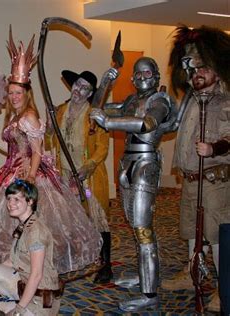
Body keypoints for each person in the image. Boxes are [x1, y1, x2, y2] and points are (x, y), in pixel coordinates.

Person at [0, 28, 101, 277]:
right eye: (11, 93)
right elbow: (13, 149)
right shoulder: (16, 116)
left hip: (29, 174)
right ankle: (14, 263)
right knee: (7, 221)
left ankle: (32, 267)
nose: (14, 97)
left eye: (18, 93)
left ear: (27, 93)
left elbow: (37, 152)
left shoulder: (29, 117)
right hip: (13, 169)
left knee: (30, 223)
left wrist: (30, 180)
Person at [90, 56, 177, 312]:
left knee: (143, 229)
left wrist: (108, 123)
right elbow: (97, 110)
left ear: (156, 76)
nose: (141, 78)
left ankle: (150, 294)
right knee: (135, 226)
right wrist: (105, 83)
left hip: (145, 164)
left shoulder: (158, 101)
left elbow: (147, 123)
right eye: (137, 74)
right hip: (127, 164)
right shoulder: (131, 100)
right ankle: (146, 276)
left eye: (147, 73)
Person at [161, 25, 230, 312]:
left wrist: (215, 148)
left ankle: (223, 289)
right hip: (189, 179)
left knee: (215, 235)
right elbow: (172, 125)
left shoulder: (225, 98)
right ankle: (193, 276)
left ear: (215, 67)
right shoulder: (189, 97)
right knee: (191, 232)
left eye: (201, 68)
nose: (195, 74)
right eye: (190, 68)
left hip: (215, 180)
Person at [46, 69, 112, 284]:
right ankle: (74, 260)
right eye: (77, 85)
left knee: (97, 218)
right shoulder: (60, 111)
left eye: (85, 88)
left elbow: (102, 147)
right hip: (64, 176)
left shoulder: (95, 115)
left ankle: (105, 265)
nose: (79, 90)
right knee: (67, 220)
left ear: (90, 93)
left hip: (88, 179)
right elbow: (50, 140)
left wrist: (89, 166)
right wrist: (48, 127)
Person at [0, 180, 62, 315]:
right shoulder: (24, 225)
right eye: (9, 199)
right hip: (26, 286)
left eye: (16, 199)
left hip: (42, 300)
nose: (10, 203)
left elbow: (36, 275)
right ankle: (17, 301)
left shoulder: (36, 232)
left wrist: (18, 310)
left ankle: (22, 306)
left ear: (30, 202)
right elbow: (13, 261)